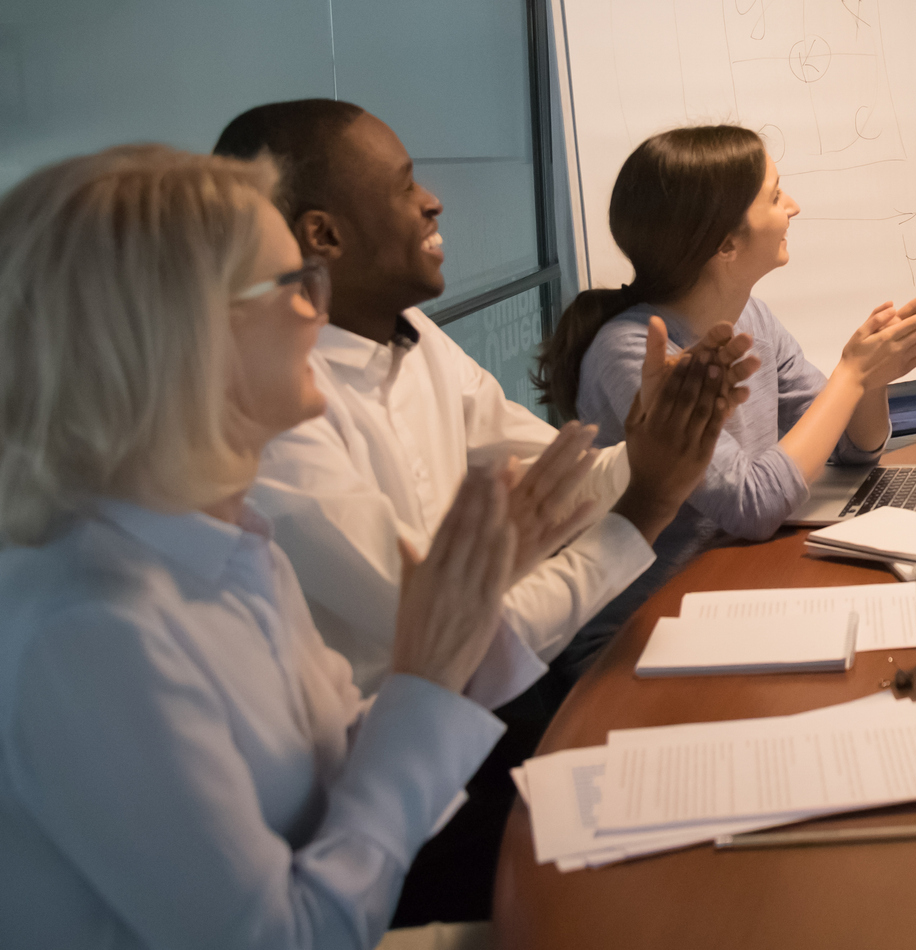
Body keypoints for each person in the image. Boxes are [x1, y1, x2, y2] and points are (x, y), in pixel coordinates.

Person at [214, 99, 754, 925]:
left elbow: (554, 479)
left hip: (479, 713)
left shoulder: (416, 336)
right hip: (393, 776)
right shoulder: (281, 416)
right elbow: (453, 636)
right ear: (322, 237)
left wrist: (653, 446)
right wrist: (640, 508)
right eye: (404, 188)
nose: (432, 202)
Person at [0, 145, 518, 948]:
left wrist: (448, 657)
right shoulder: (89, 626)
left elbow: (333, 770)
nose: (323, 306)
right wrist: (427, 680)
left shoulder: (233, 546)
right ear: (180, 329)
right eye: (296, 284)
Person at [533, 124, 916, 673]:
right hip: (635, 640)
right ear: (725, 243)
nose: (794, 207)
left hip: (726, 592)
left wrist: (871, 381)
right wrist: (850, 376)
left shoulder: (751, 316)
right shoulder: (633, 349)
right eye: (776, 195)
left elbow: (854, 451)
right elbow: (752, 504)